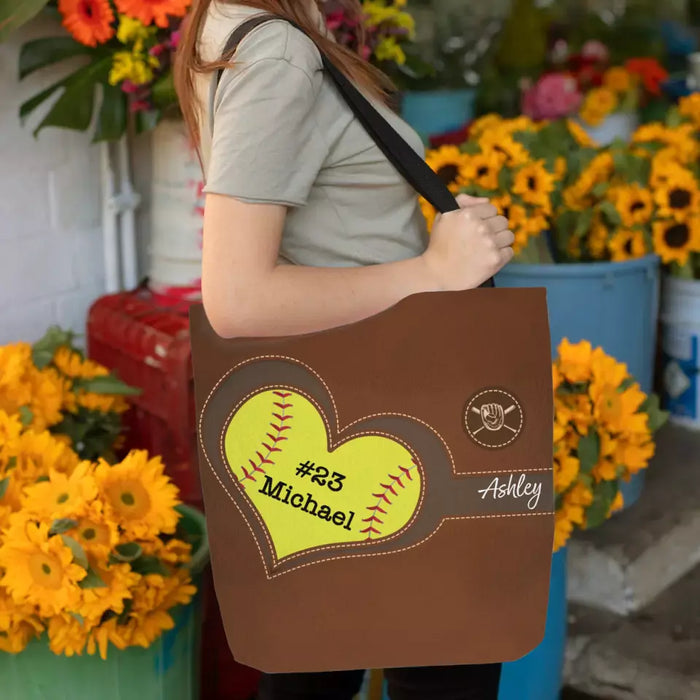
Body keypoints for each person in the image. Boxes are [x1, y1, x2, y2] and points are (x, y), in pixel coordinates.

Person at [175, 1, 514, 698]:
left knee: (317, 671)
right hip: (387, 415)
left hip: (343, 419)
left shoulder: (250, 30)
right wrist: (433, 274)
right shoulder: (278, 53)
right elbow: (236, 298)